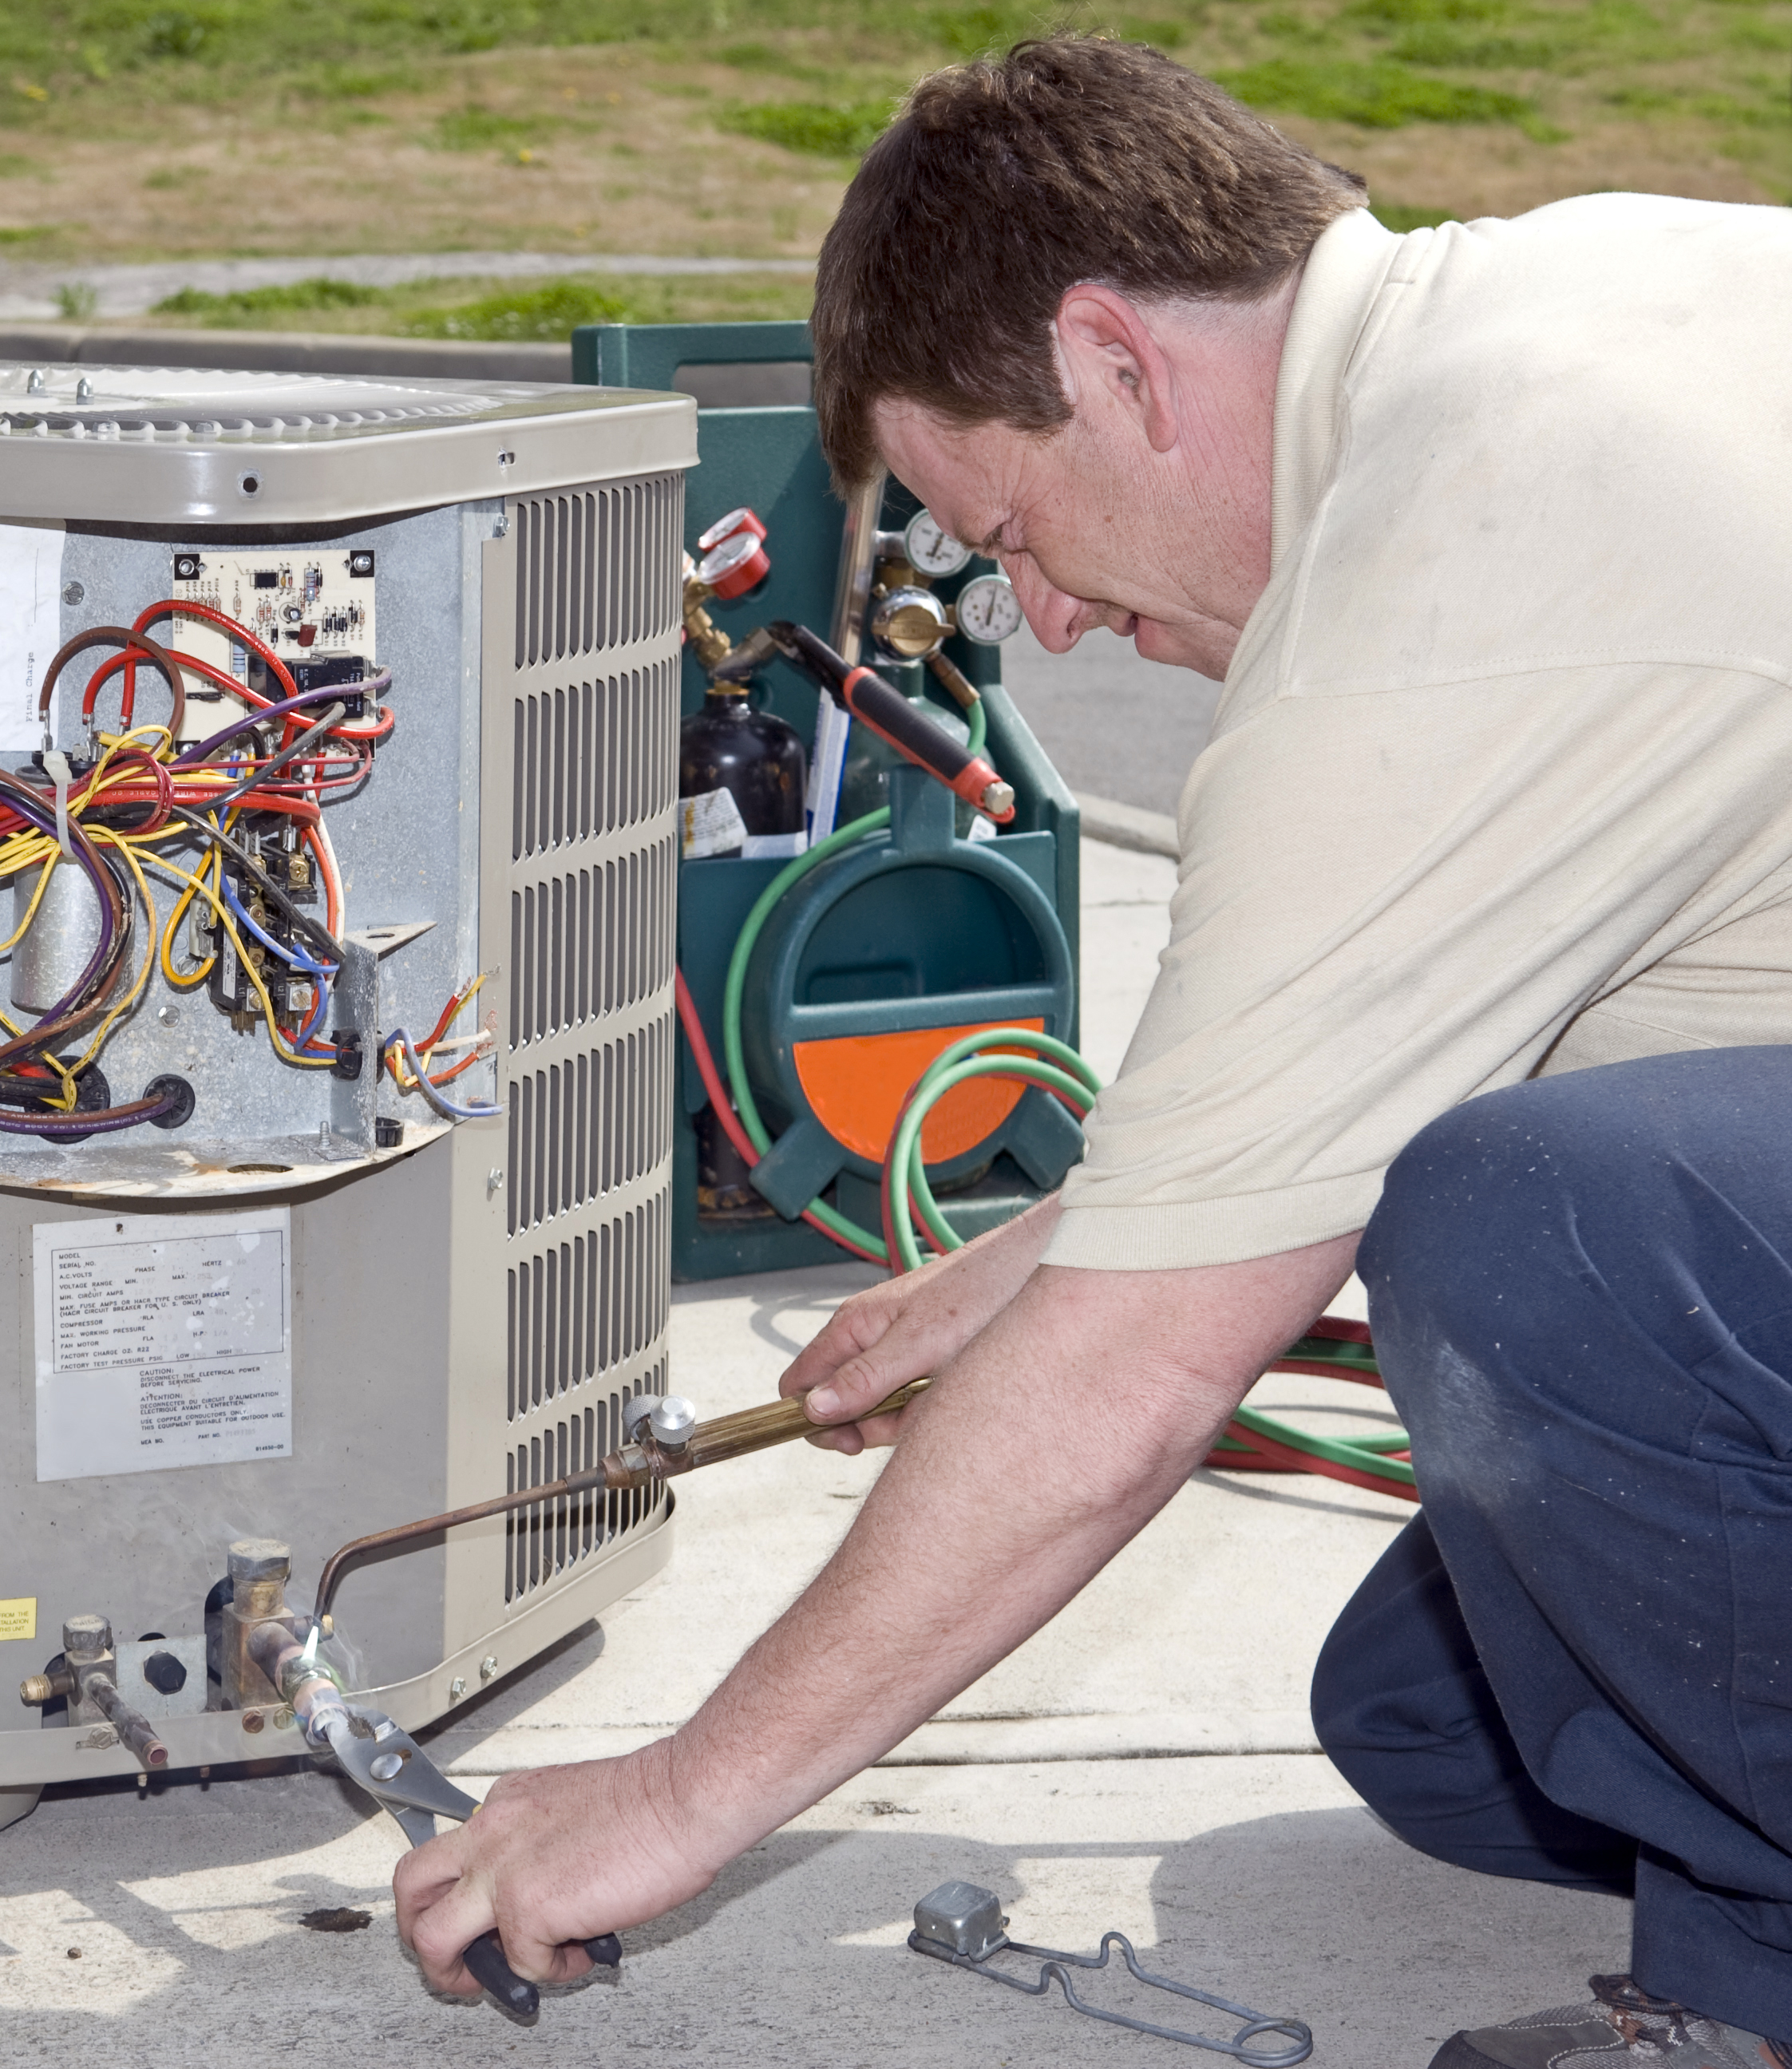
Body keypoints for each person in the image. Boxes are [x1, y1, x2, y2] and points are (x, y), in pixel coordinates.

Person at [392, 34, 1792, 2068]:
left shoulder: (1445, 594)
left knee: (1530, 1225)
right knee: (1443, 1723)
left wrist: (668, 1806)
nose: (1030, 622)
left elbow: (1143, 1379)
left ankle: (1752, 1991)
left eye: (1014, 527)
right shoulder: (1582, 304)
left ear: (1117, 360)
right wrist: (1053, 1249)